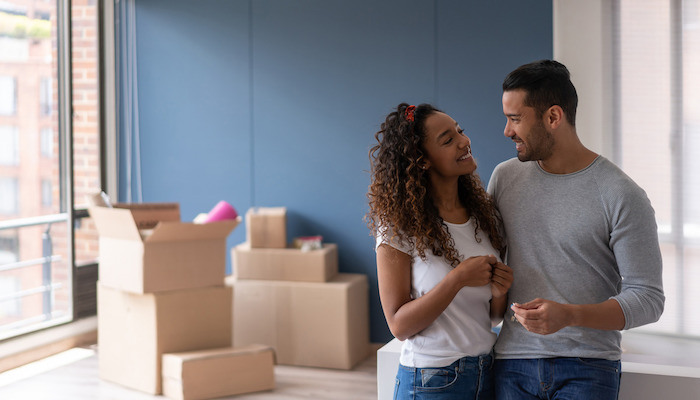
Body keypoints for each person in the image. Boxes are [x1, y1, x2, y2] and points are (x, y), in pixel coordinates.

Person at [487, 60, 665, 399]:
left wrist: (569, 315)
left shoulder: (621, 194)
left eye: (515, 119)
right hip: (511, 362)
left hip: (589, 366)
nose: (507, 131)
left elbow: (649, 299)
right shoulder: (504, 179)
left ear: (553, 117)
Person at [367, 103, 514, 399]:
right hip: (432, 380)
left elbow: (491, 318)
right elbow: (398, 325)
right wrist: (457, 278)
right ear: (421, 161)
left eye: (460, 131)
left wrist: (500, 291)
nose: (463, 141)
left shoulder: (485, 216)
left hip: (486, 372)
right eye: (447, 140)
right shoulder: (398, 225)